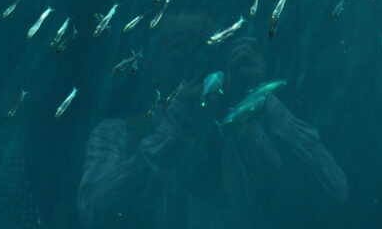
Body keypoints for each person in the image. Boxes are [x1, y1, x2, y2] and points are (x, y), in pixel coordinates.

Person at [78, 12, 348, 229]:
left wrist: (260, 97)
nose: (195, 61)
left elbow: (333, 190)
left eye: (208, 46)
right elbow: (93, 214)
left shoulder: (251, 128)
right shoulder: (119, 135)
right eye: (181, 51)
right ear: (151, 68)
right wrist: (177, 122)